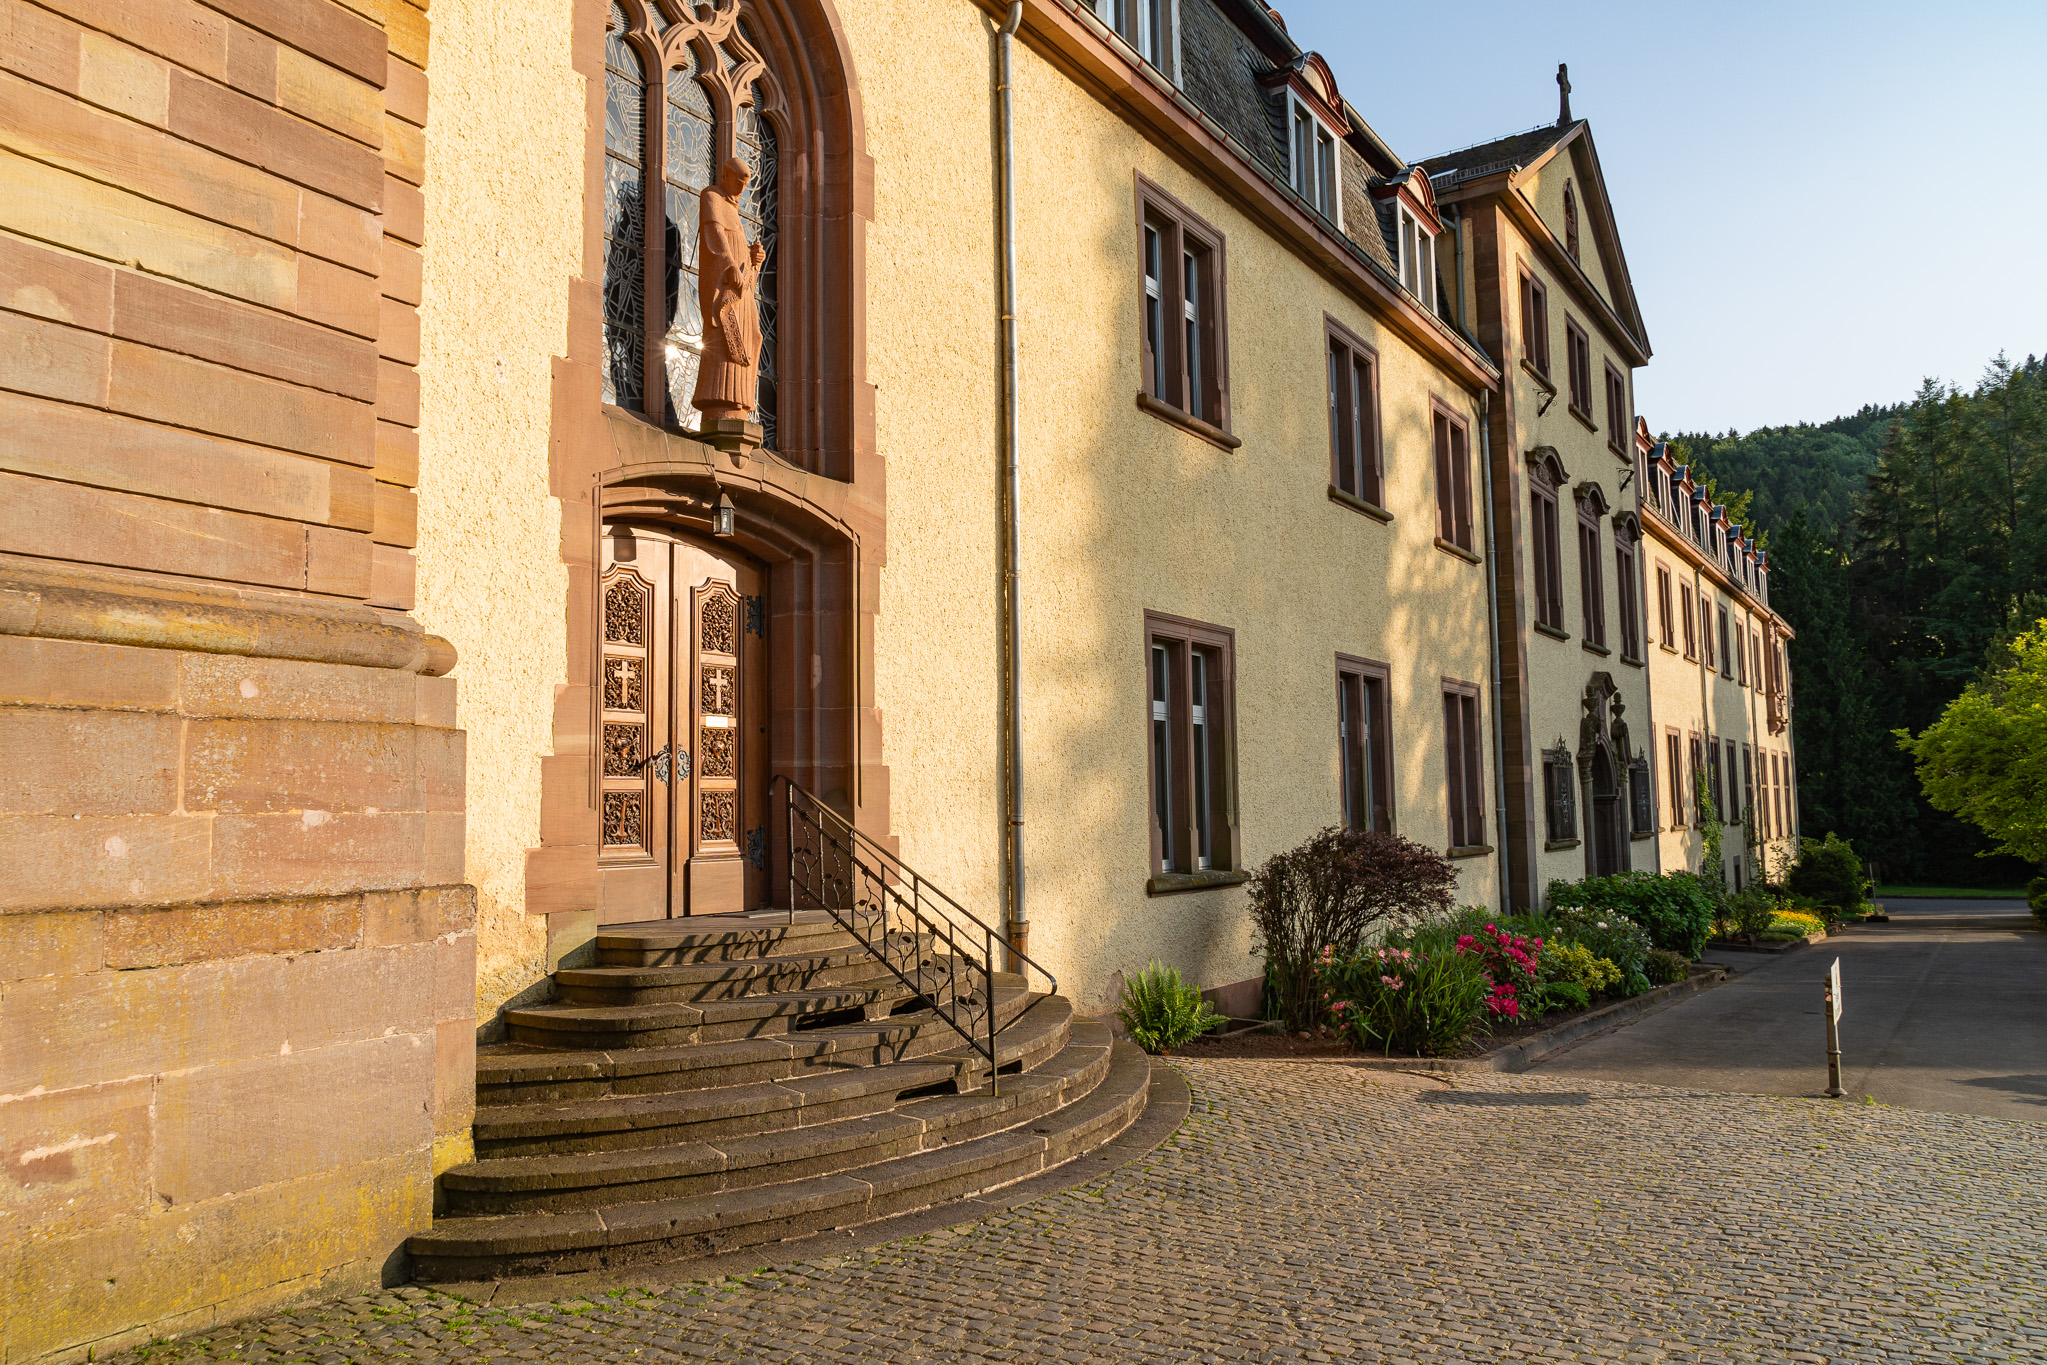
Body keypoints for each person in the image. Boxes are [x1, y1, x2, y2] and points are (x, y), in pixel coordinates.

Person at [691, 155, 766, 424]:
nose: (742, 189)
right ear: (725, 176)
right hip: (724, 281)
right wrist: (727, 262)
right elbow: (714, 235)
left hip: (741, 289)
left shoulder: (734, 210)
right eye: (738, 182)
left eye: (746, 184)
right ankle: (718, 400)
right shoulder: (711, 197)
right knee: (723, 338)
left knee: (752, 335)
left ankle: (741, 401)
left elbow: (739, 247)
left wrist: (753, 257)